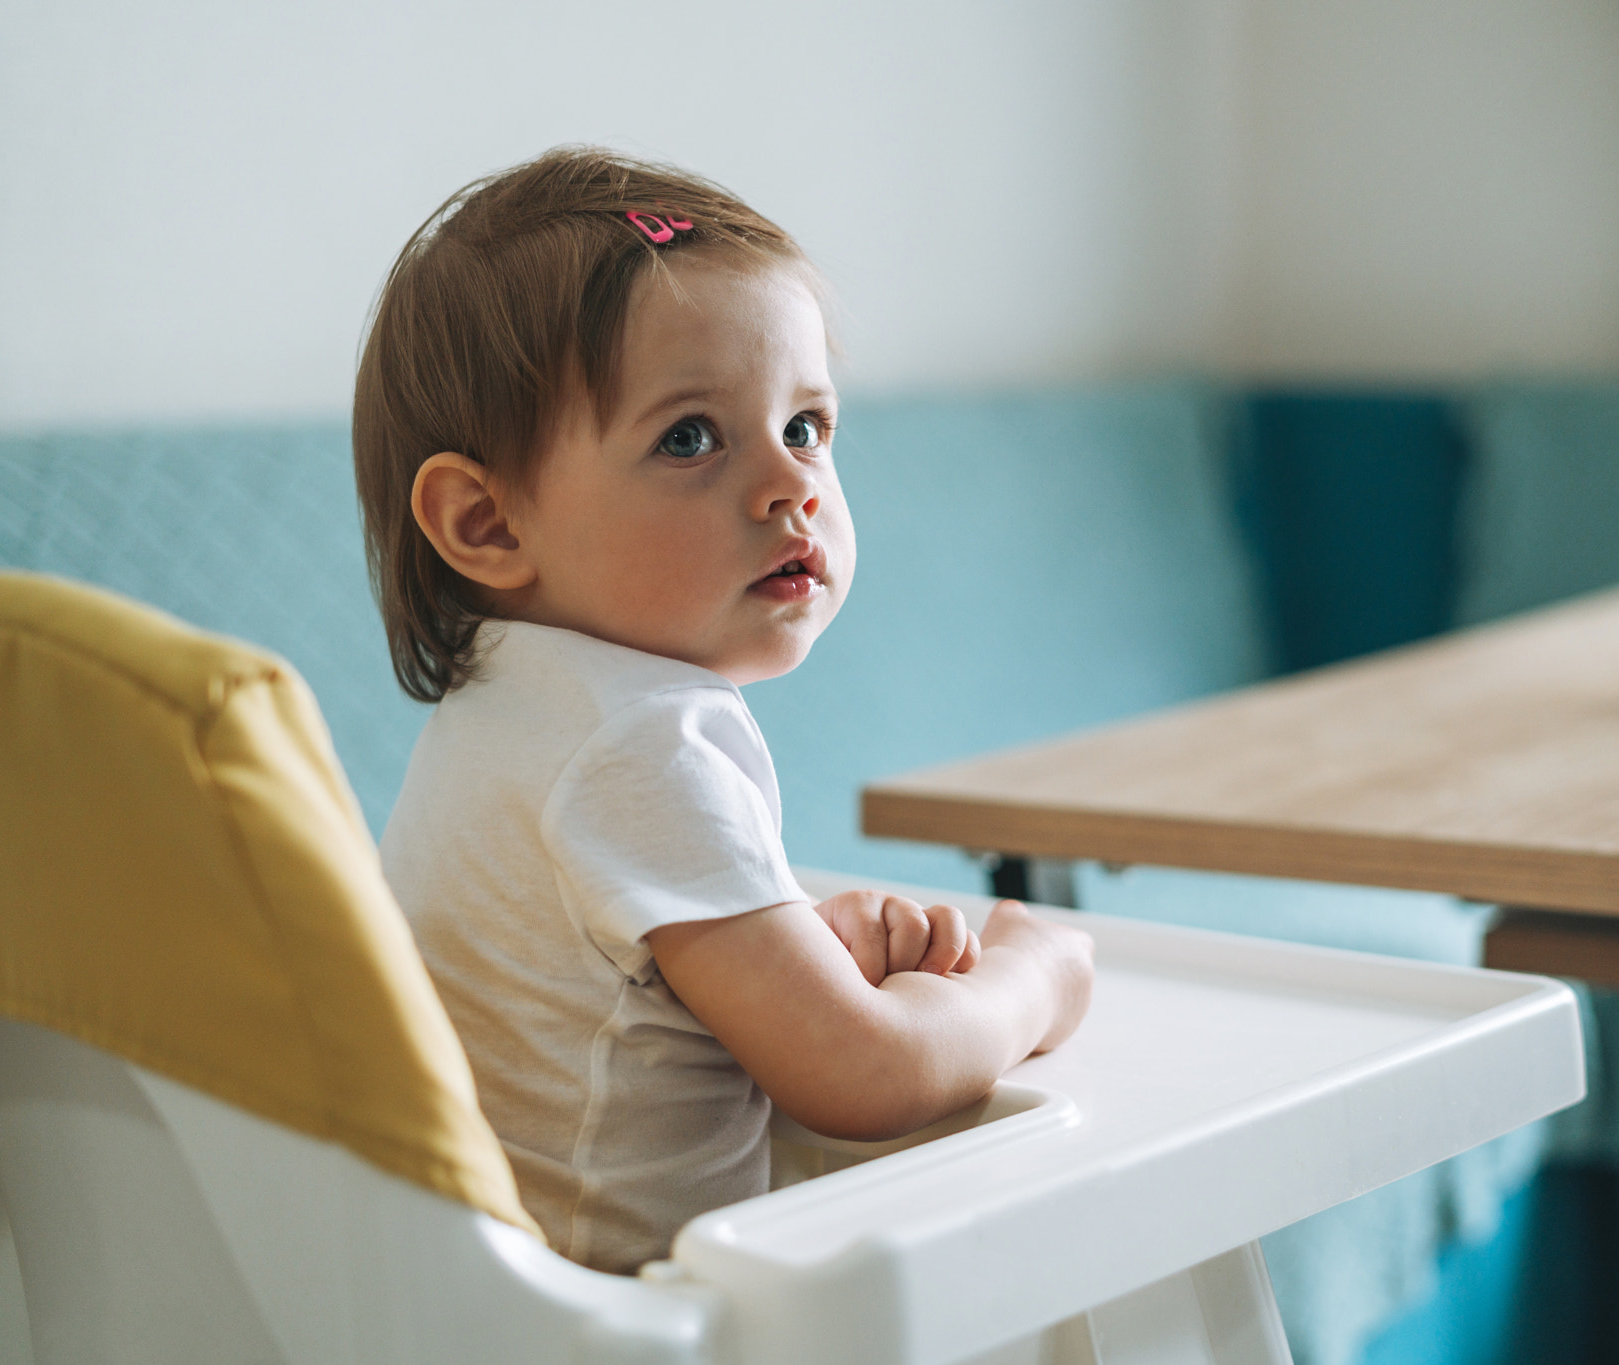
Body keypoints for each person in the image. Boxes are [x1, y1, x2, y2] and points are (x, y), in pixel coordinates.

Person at [353, 147, 1095, 1275]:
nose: (789, 484)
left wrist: (789, 937)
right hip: (628, 1325)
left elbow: (599, 980)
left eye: (805, 427)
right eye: (689, 437)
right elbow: (868, 1077)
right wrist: (1028, 979)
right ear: (488, 523)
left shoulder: (509, 705)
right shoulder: (636, 740)